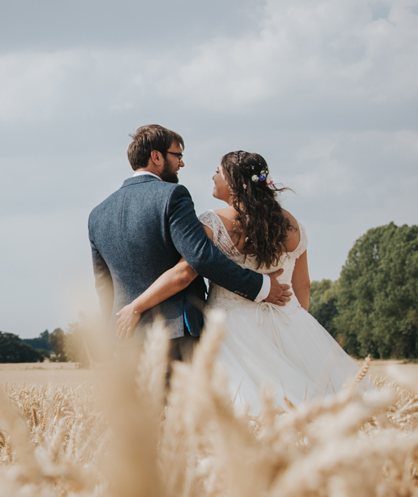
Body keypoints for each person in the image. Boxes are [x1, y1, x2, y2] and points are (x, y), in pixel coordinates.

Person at [115, 149, 363, 411]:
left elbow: (184, 273)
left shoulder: (213, 222)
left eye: (218, 172)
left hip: (231, 331)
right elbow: (303, 285)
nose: (212, 177)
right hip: (291, 321)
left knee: (243, 405)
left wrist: (136, 306)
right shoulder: (293, 225)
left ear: (234, 182)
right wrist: (296, 329)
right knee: (314, 398)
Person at [88, 126, 291, 363]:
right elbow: (201, 258)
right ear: (156, 156)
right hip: (175, 334)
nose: (181, 164)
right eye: (178, 156)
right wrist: (261, 286)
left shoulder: (97, 214)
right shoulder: (172, 195)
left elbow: (104, 287)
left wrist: (109, 336)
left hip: (124, 338)